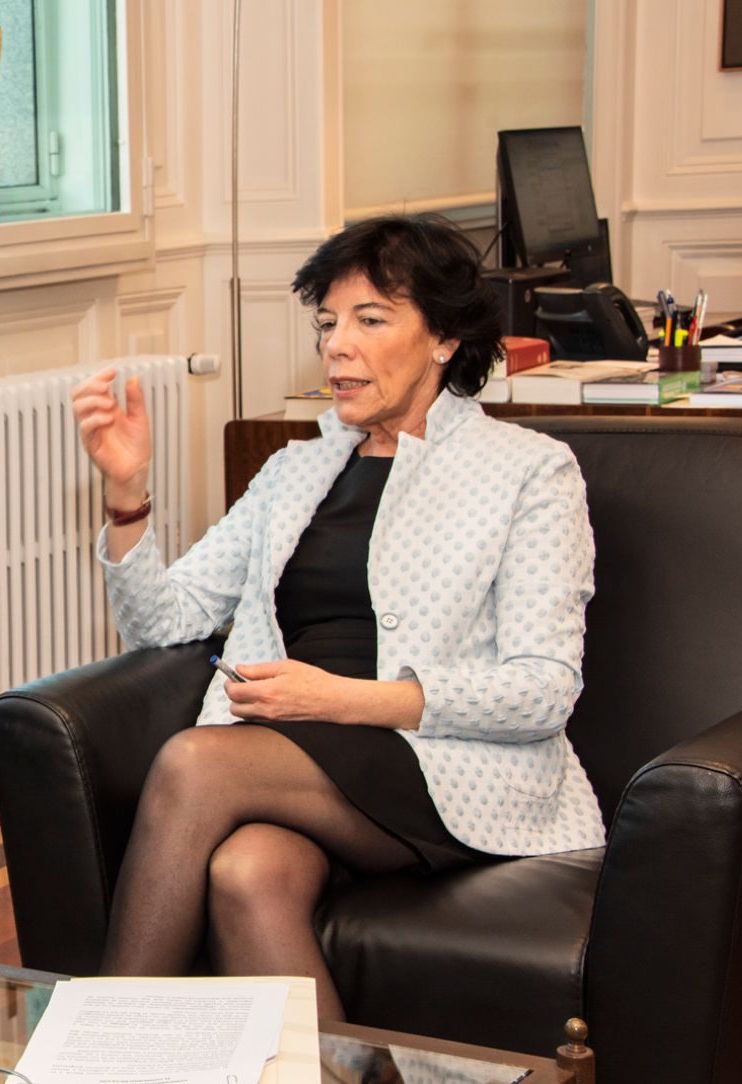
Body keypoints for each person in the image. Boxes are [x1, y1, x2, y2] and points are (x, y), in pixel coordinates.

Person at [70, 215, 604, 1020]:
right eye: (327, 323)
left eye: (371, 319)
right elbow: (164, 621)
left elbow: (542, 692)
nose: (336, 345)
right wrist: (127, 494)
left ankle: (101, 1050)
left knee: (193, 763)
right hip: (303, 765)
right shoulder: (294, 470)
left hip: (443, 766)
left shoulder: (529, 470)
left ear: (445, 339)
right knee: (244, 876)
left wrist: (340, 700)